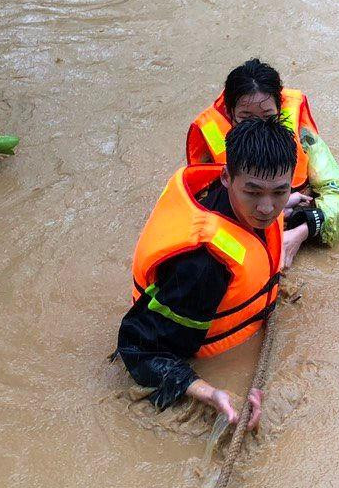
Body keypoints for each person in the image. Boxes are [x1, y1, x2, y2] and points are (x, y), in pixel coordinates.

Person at [116, 116, 297, 423]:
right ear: (226, 177)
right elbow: (138, 348)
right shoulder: (204, 266)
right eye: (253, 192)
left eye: (279, 192)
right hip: (191, 332)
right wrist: (209, 393)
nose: (267, 208)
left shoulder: (255, 207)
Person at [187, 58, 339, 271]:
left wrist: (301, 231)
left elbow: (337, 196)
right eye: (246, 119)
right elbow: (196, 212)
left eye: (268, 117)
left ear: (280, 111)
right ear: (229, 115)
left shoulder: (303, 138)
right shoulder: (211, 141)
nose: (259, 128)